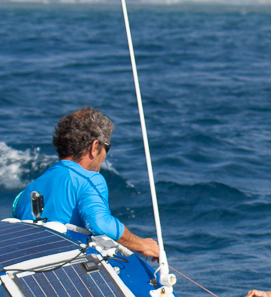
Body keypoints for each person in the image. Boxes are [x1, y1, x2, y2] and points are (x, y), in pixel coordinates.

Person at [12, 107, 160, 259]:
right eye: (106, 147)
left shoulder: (28, 190)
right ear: (95, 146)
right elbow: (100, 224)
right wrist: (144, 246)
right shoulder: (89, 179)